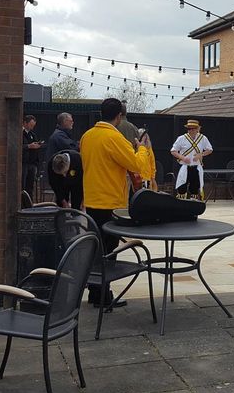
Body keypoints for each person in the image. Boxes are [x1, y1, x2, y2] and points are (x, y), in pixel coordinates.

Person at [81, 98, 153, 307]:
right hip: (109, 201)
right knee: (109, 252)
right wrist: (141, 148)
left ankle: (95, 292)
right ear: (119, 116)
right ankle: (104, 297)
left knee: (95, 248)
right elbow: (136, 164)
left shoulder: (87, 136)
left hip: (91, 199)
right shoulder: (114, 137)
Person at [170, 119, 213, 200]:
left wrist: (201, 154)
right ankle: (181, 203)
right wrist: (183, 158)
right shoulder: (181, 138)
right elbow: (173, 151)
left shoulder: (203, 138)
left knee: (195, 187)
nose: (191, 130)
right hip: (184, 166)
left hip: (196, 167)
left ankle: (193, 203)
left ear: (197, 129)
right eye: (189, 128)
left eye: (193, 128)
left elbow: (210, 150)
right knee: (182, 187)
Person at [21, 115, 42, 194]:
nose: (32, 127)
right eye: (31, 125)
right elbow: (17, 147)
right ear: (25, 123)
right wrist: (28, 146)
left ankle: (29, 202)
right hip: (24, 163)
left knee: (30, 185)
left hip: (32, 163)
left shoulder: (32, 134)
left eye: (33, 125)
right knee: (23, 184)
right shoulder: (20, 134)